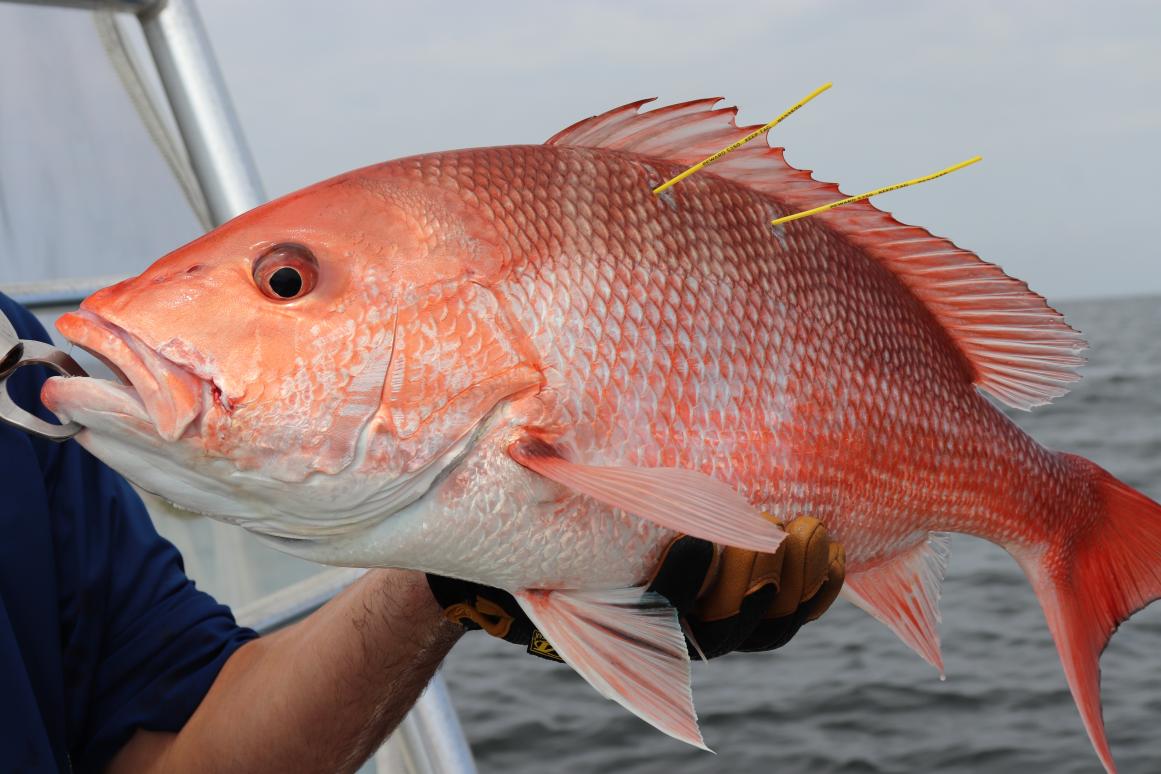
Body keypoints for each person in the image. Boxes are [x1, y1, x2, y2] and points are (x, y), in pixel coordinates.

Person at [0, 293, 844, 773]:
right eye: (285, 280)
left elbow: (171, 756)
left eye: (286, 281)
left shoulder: (10, 360)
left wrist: (445, 571)